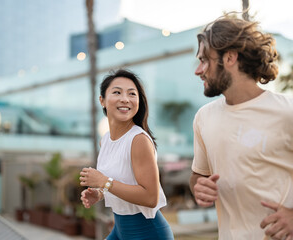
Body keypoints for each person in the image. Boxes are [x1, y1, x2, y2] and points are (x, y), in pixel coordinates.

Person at [190, 13, 293, 240]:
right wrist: (199, 187)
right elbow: (198, 175)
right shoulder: (203, 118)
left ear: (230, 58)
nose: (199, 70)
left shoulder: (288, 111)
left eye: (204, 60)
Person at [79, 69, 174, 240]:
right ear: (102, 101)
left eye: (132, 94)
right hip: (120, 231)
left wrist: (103, 182)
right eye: (117, 92)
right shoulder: (106, 140)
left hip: (148, 233)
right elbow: (122, 181)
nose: (125, 99)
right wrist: (100, 193)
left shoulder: (138, 140)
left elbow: (151, 197)